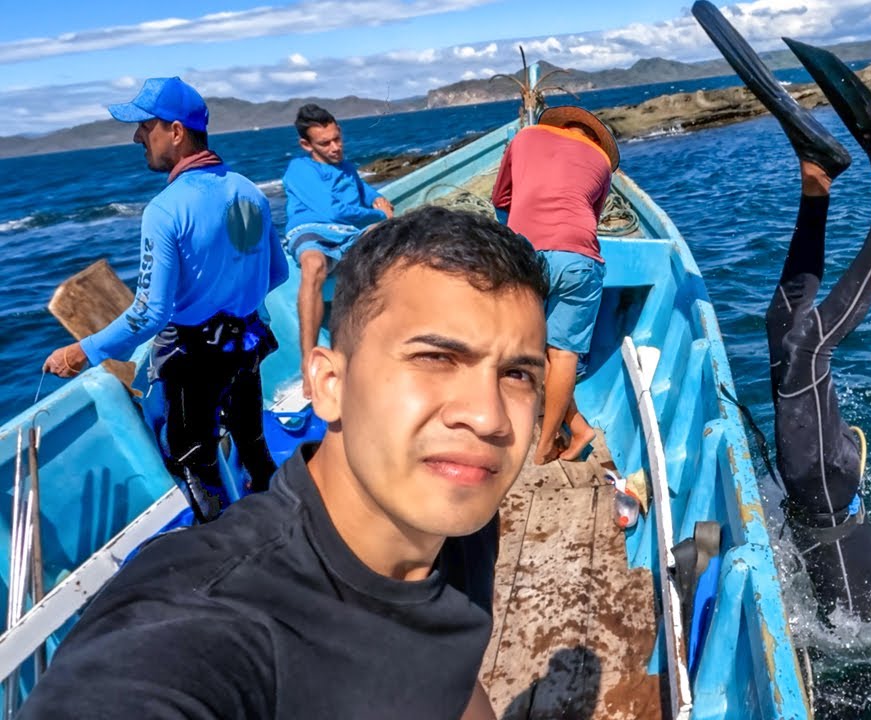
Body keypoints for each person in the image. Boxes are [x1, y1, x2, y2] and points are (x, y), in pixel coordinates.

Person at [19, 207, 550, 719]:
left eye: (518, 374)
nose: (488, 418)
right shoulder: (205, 621)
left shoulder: (456, 523)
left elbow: (441, 672)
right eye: (436, 358)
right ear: (329, 384)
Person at [693, 1, 871, 622]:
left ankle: (843, 187)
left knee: (788, 333)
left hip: (821, 496)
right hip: (822, 492)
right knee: (805, 347)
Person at [41, 76, 287, 522]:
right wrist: (228, 300)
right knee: (253, 446)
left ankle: (226, 555)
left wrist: (84, 350)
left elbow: (150, 314)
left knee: (194, 460)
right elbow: (278, 272)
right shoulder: (250, 191)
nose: (137, 136)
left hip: (197, 361)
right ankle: (291, 531)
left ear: (176, 131)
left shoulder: (165, 210)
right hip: (246, 347)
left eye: (145, 126)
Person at [491, 106, 618, 465]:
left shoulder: (525, 136)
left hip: (525, 252)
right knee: (562, 354)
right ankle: (553, 440)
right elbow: (592, 216)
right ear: (595, 140)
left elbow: (501, 200)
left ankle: (571, 427)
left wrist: (516, 231)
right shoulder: (601, 162)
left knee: (527, 344)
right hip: (580, 257)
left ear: (562, 126)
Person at [283, 103, 394, 398]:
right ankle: (309, 363)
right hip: (312, 229)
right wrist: (377, 215)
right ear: (306, 145)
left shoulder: (345, 167)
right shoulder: (299, 169)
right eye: (325, 143)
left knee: (388, 252)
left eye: (338, 139)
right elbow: (331, 210)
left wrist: (379, 199)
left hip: (348, 234)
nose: (335, 147)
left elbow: (365, 193)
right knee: (314, 264)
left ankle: (376, 346)